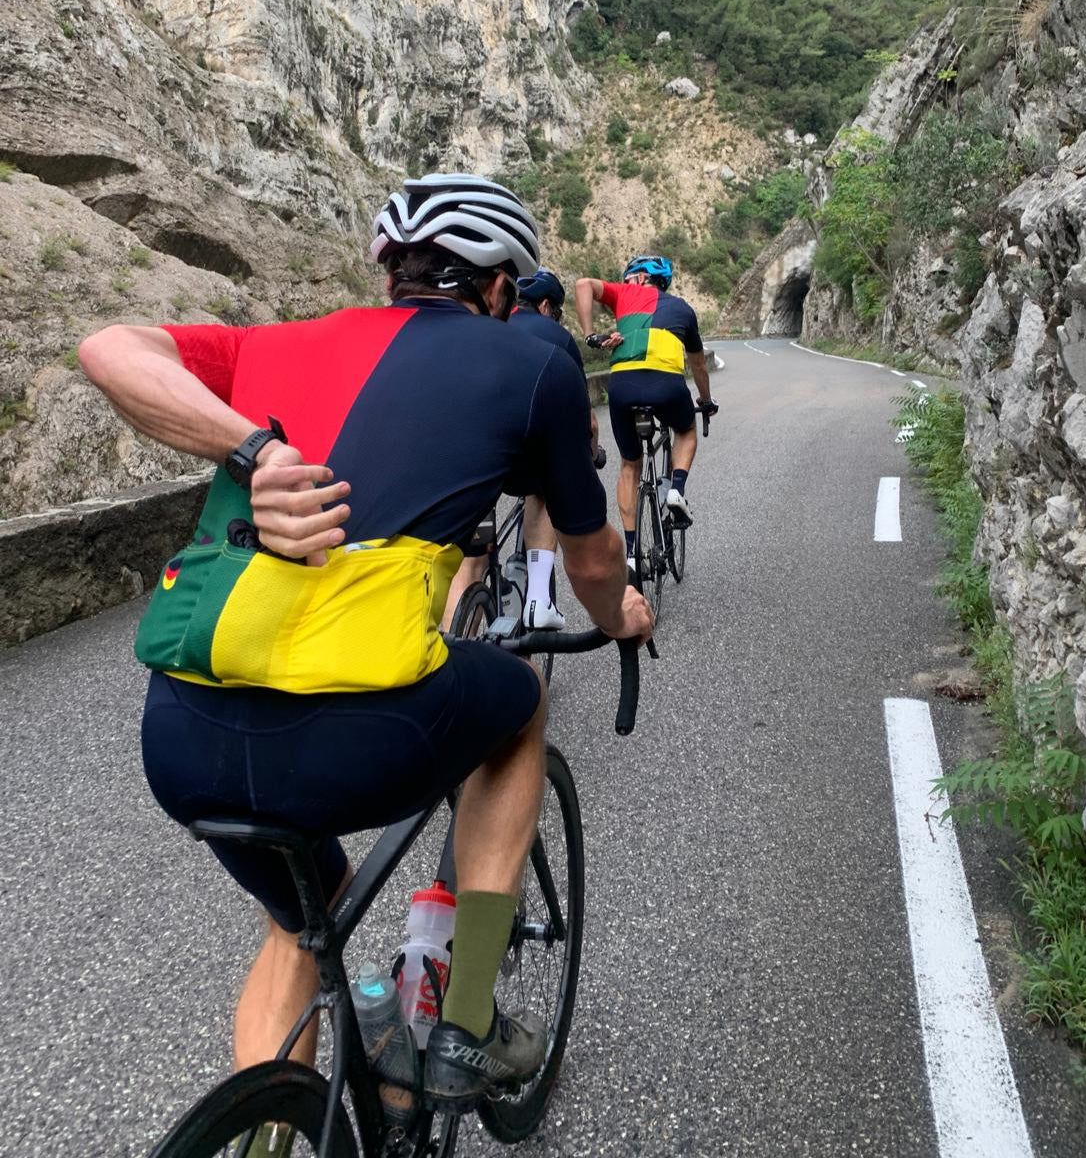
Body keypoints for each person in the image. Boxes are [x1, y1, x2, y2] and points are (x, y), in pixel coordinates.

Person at [79, 174, 653, 1123]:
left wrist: (250, 451)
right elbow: (591, 555)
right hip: (360, 740)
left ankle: (272, 1128)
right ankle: (465, 1020)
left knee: (303, 918)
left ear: (390, 270)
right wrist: (624, 614)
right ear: (504, 288)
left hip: (181, 740)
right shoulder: (530, 364)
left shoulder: (276, 342)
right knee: (516, 698)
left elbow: (107, 346)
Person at [575, 255, 717, 566]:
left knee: (629, 465)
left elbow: (583, 284)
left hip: (622, 387)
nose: (624, 283)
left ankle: (630, 555)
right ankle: (676, 490)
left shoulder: (624, 294)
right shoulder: (683, 308)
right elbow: (698, 365)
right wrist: (705, 402)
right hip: (667, 385)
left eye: (629, 277)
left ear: (640, 279)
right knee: (686, 430)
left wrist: (589, 336)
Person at [507, 268, 602, 630]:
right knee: (543, 492)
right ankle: (538, 601)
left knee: (473, 553)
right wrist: (591, 455)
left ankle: (461, 623)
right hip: (528, 443)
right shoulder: (557, 337)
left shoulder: (490, 322)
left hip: (482, 445)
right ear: (546, 306)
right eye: (558, 312)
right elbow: (587, 421)